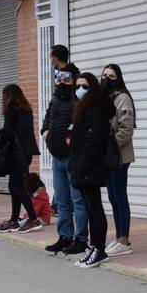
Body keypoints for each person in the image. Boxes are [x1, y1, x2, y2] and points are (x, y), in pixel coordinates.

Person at [67, 72, 114, 269]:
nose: (80, 90)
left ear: (93, 88)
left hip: (90, 168)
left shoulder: (95, 111)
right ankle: (94, 247)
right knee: (90, 208)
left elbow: (93, 144)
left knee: (95, 210)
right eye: (77, 86)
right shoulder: (83, 109)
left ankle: (99, 249)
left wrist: (80, 168)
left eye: (85, 86)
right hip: (82, 167)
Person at [41, 64, 88, 255]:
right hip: (56, 157)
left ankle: (81, 238)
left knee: (78, 201)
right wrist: (45, 131)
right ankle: (64, 236)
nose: (61, 81)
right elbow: (47, 118)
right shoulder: (55, 99)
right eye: (58, 77)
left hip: (72, 158)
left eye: (66, 78)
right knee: (61, 201)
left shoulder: (78, 100)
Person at [101, 63, 136, 256]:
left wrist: (110, 146)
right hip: (108, 156)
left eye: (111, 76)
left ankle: (124, 240)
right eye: (104, 75)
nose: (106, 79)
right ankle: (117, 237)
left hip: (120, 156)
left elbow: (126, 129)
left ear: (118, 78)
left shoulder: (122, 98)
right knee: (113, 198)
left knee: (120, 197)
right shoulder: (105, 99)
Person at [0, 84, 43, 234]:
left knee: (17, 186)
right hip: (27, 152)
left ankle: (32, 218)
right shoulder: (26, 109)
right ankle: (14, 219)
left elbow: (8, 133)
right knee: (14, 185)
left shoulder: (11, 109)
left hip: (17, 153)